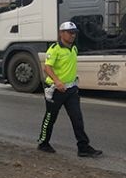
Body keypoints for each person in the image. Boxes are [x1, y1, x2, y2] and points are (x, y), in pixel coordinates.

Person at [37, 21, 102, 157]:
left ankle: (83, 147)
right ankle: (43, 143)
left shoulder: (74, 48)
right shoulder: (54, 49)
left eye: (74, 33)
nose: (73, 35)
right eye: (70, 33)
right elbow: (47, 67)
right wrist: (57, 81)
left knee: (77, 118)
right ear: (62, 33)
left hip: (71, 90)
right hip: (55, 90)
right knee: (50, 117)